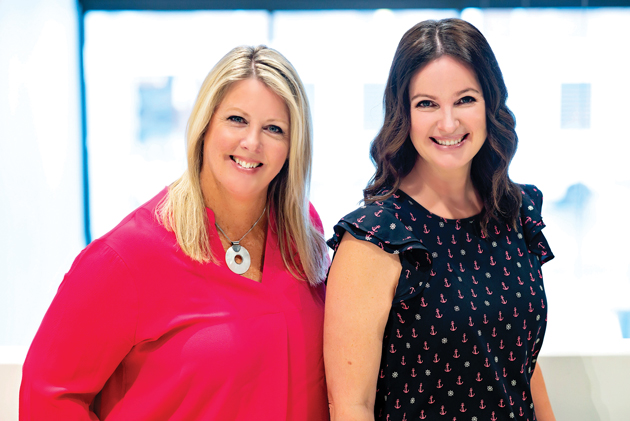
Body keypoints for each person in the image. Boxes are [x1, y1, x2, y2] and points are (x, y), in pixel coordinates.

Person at [20, 45, 330, 421]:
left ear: (292, 146)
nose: (252, 142)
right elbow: (48, 395)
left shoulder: (303, 231)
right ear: (204, 126)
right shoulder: (127, 257)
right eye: (236, 119)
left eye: (274, 128)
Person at [324, 18, 556, 421]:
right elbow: (350, 406)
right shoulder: (374, 238)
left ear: (490, 104)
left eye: (465, 99)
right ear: (404, 114)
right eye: (427, 104)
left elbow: (522, 365)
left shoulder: (515, 212)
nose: (448, 123)